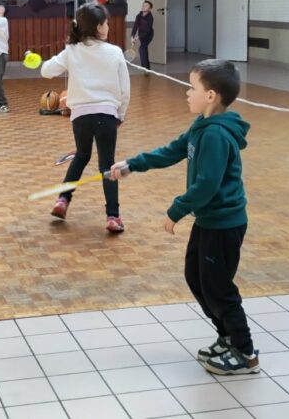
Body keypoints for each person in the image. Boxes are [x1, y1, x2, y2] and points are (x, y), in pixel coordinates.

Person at [109, 59, 258, 375]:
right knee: (196, 277)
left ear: (210, 96)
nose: (187, 93)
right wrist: (133, 164)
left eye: (192, 88)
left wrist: (176, 210)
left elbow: (207, 185)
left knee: (218, 287)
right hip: (209, 221)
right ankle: (227, 336)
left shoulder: (216, 135)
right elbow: (173, 150)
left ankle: (245, 352)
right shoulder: (201, 126)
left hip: (224, 223)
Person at [41, 3, 131, 232]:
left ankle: (63, 199)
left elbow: (46, 71)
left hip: (80, 117)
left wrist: (64, 53)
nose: (108, 27)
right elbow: (125, 89)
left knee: (81, 156)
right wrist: (120, 114)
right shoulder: (115, 52)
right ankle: (113, 217)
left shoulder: (72, 50)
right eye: (106, 23)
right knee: (107, 165)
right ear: (99, 27)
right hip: (107, 115)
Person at [131, 0, 155, 70]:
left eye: (146, 6)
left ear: (150, 9)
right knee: (144, 49)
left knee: (141, 48)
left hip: (148, 36)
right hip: (141, 35)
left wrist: (138, 37)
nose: (144, 7)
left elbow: (147, 30)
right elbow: (135, 26)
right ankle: (147, 68)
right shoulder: (138, 16)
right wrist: (132, 36)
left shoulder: (150, 17)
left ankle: (144, 67)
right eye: (143, 5)